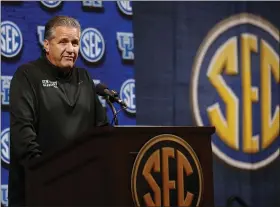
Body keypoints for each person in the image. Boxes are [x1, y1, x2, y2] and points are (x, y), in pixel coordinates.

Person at [8, 15, 108, 206]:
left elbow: (100, 131)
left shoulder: (84, 77)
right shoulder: (27, 76)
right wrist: (49, 176)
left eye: (75, 43)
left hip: (80, 192)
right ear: (46, 45)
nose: (71, 49)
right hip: (37, 192)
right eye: (63, 42)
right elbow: (23, 135)